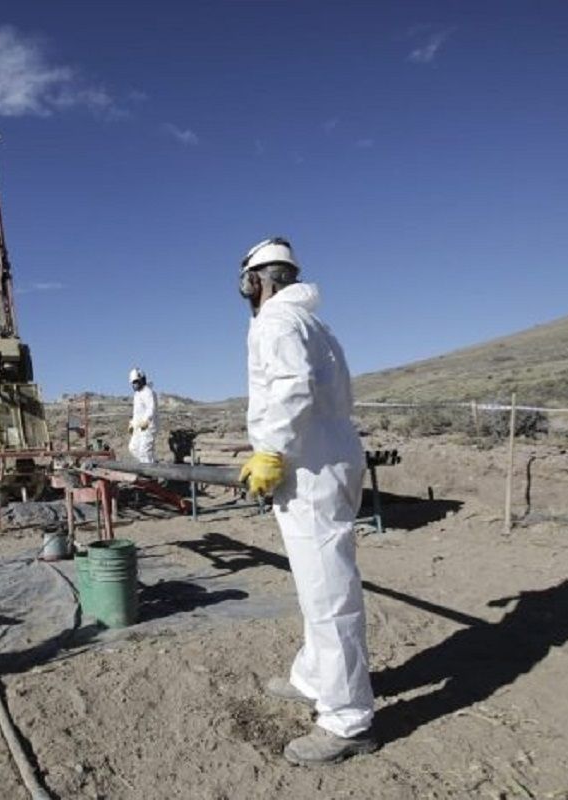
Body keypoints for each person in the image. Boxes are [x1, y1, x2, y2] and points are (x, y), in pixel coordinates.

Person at [236, 237, 377, 765]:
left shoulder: (275, 322)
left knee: (329, 593)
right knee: (318, 583)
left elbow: (291, 388)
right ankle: (314, 676)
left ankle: (347, 720)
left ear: (255, 281)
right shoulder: (314, 324)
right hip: (330, 453)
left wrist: (270, 451)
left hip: (309, 465)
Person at [126, 367, 158, 463]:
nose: (135, 385)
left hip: (148, 427)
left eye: (136, 382)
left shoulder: (148, 392)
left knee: (144, 451)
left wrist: (146, 420)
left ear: (142, 380)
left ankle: (149, 469)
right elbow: (136, 412)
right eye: (133, 383)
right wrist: (132, 424)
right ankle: (150, 464)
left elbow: (151, 408)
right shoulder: (137, 395)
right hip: (138, 427)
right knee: (133, 448)